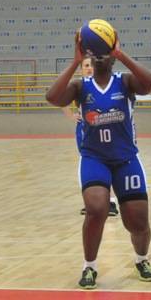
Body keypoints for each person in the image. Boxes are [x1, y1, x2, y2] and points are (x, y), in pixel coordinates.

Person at [46, 32, 151, 289]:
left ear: (112, 57)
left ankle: (141, 260)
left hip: (125, 159)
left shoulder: (125, 82)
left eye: (105, 52)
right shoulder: (80, 87)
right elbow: (52, 97)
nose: (99, 57)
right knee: (96, 209)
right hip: (94, 159)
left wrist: (121, 54)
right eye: (94, 53)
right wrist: (75, 62)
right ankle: (90, 266)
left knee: (137, 221)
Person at [61, 56, 119, 217]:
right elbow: (61, 99)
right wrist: (71, 116)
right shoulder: (79, 86)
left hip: (107, 129)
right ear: (80, 69)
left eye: (91, 65)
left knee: (109, 164)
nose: (88, 68)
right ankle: (92, 201)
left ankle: (111, 202)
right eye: (85, 65)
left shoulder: (106, 83)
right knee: (89, 166)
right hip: (86, 131)